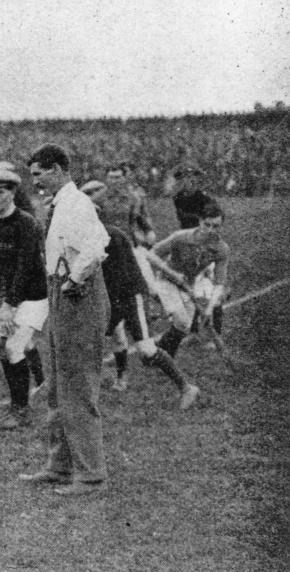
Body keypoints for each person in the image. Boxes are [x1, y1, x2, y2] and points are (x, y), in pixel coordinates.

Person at [20, 144, 110, 496]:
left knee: (76, 387)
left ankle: (91, 476)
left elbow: (97, 244)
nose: (36, 180)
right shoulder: (59, 203)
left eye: (39, 173)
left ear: (57, 169)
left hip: (78, 295)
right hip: (59, 290)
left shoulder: (77, 203)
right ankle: (59, 466)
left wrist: (75, 279)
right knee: (57, 387)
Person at [83, 200, 202, 408]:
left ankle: (186, 388)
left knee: (146, 349)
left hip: (130, 298)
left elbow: (122, 278)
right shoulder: (88, 238)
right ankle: (97, 387)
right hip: (114, 299)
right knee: (93, 340)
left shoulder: (113, 237)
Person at [0, 168, 48, 430]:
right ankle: (20, 402)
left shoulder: (27, 223)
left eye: (0, 192)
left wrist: (9, 304)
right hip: (8, 296)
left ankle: (23, 410)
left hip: (34, 296)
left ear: (13, 192)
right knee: (5, 349)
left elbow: (25, 267)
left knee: (13, 348)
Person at [146, 204, 230, 358]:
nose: (211, 230)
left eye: (216, 226)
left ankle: (161, 355)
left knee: (183, 327)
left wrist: (209, 309)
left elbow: (219, 283)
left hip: (188, 285)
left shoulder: (221, 249)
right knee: (183, 321)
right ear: (200, 221)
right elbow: (151, 254)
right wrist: (171, 273)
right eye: (207, 225)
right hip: (167, 281)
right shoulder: (181, 237)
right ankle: (160, 356)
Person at [171, 163, 219, 229]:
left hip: (201, 230)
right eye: (188, 177)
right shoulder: (179, 197)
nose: (192, 180)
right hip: (188, 229)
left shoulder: (203, 197)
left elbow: (215, 213)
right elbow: (181, 215)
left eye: (193, 177)